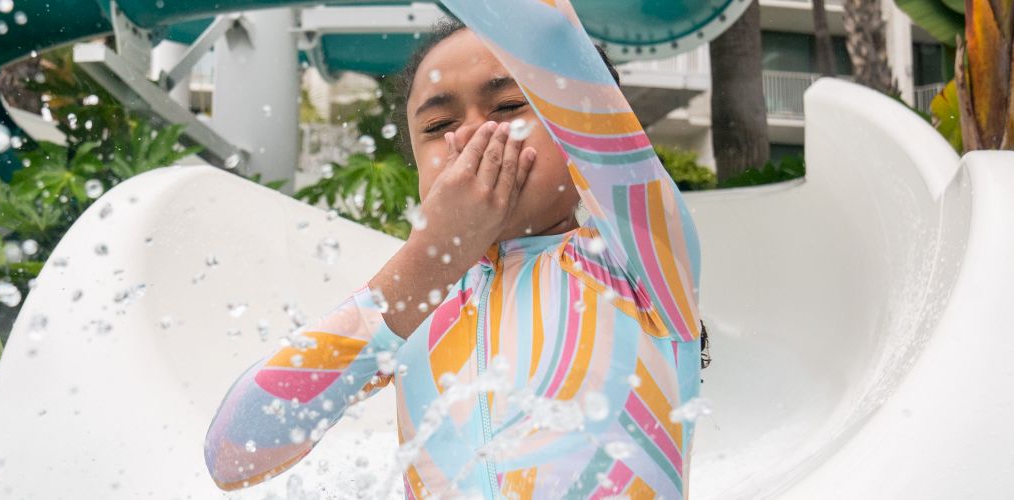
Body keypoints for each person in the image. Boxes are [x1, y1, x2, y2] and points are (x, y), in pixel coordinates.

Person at [203, 1, 704, 497]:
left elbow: (551, 37)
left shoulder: (640, 259)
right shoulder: (411, 309)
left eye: (508, 107)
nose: (469, 136)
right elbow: (233, 453)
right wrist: (433, 255)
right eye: (438, 127)